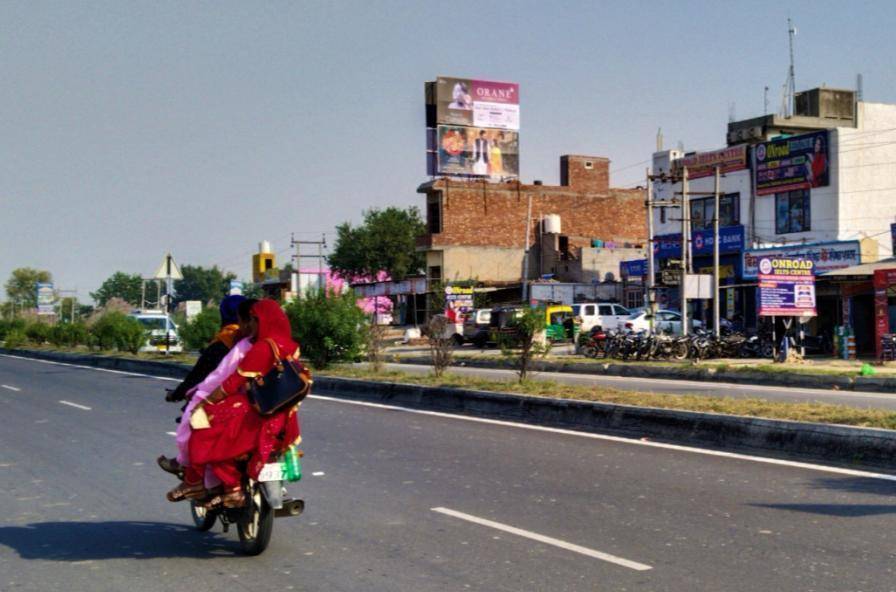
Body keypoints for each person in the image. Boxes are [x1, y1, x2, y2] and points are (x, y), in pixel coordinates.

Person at [166, 299, 302, 508]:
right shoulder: (291, 347)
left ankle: (210, 486)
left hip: (253, 413)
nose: (248, 326)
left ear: (259, 320)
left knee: (204, 430)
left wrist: (205, 402)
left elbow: (231, 383)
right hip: (282, 416)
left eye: (251, 321)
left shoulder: (259, 347)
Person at [157, 298, 257, 480]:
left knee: (195, 423)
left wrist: (184, 394)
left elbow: (209, 378)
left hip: (229, 400)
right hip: (266, 403)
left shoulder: (227, 343)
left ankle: (189, 473)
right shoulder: (273, 343)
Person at [164, 294, 246, 403]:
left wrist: (178, 394)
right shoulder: (254, 341)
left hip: (218, 402)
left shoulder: (222, 343)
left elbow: (199, 376)